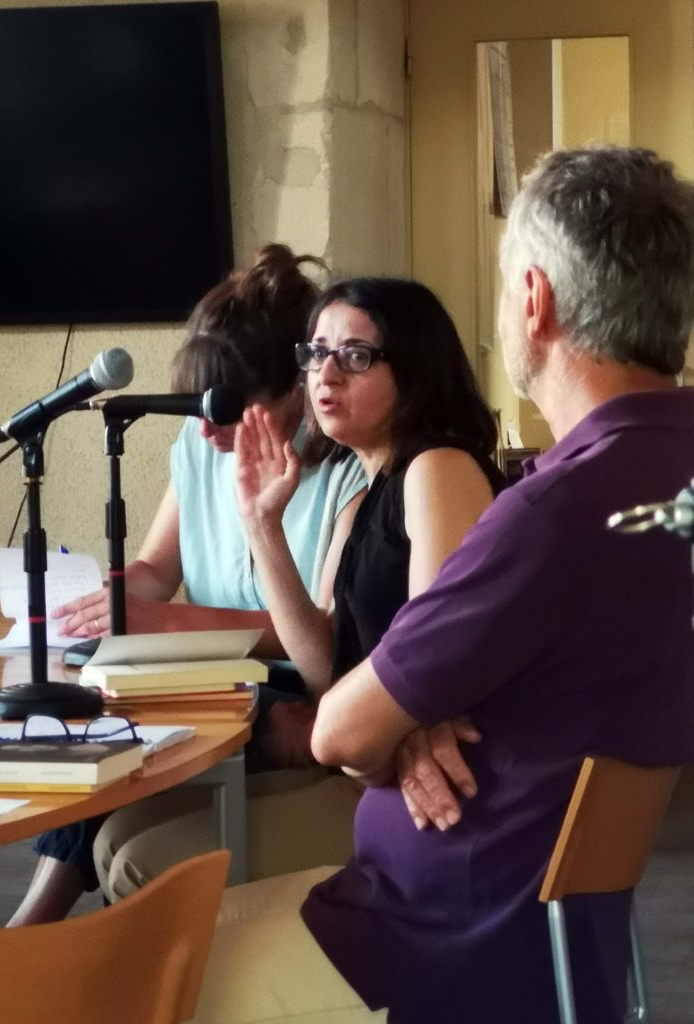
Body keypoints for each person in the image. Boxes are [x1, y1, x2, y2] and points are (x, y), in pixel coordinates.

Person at [177, 145, 694, 1024]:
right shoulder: (659, 470)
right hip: (560, 933)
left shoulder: (554, 509)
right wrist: (414, 713)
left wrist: (400, 718)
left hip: (434, 941)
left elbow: (339, 728)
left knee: (149, 964)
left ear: (533, 299)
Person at [93, 276, 505, 901]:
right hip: (370, 768)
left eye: (356, 356)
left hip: (434, 789)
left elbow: (439, 667)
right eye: (316, 353)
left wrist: (377, 733)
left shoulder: (437, 468)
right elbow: (323, 667)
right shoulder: (374, 486)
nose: (325, 374)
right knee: (115, 836)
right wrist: (262, 522)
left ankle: (259, 965)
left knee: (144, 866)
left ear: (416, 368)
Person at [6, 243, 367, 926]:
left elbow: (323, 640)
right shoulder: (201, 447)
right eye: (195, 406)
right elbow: (154, 570)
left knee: (127, 736)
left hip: (295, 688)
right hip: (210, 681)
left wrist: (169, 621)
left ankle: (36, 931)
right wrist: (103, 600)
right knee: (99, 712)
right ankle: (37, 931)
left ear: (294, 390)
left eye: (225, 407)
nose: (205, 429)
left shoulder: (346, 472)